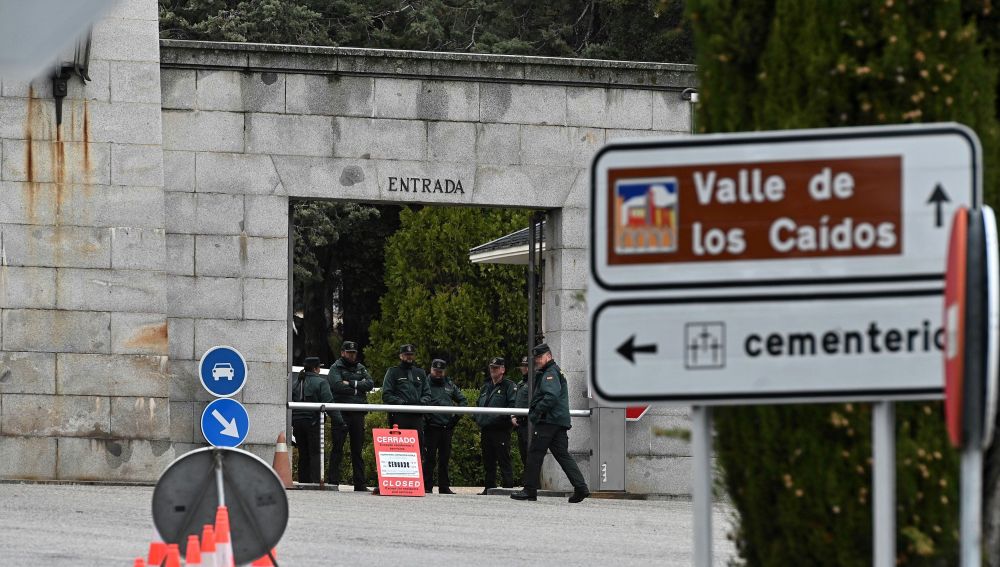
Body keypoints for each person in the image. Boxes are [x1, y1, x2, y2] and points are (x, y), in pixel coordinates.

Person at [511, 344, 591, 503]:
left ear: (548, 356)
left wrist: (537, 412)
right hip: (557, 421)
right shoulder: (553, 371)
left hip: (548, 421)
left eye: (540, 358)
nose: (538, 361)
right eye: (536, 359)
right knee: (562, 455)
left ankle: (529, 490)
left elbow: (551, 396)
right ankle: (581, 488)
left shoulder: (550, 373)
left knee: (534, 453)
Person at [328, 341, 375, 492]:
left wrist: (352, 384)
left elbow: (370, 384)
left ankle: (359, 484)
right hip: (341, 412)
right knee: (337, 448)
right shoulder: (336, 367)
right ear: (342, 353)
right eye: (349, 352)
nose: (352, 355)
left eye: (354, 352)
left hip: (357, 412)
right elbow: (337, 386)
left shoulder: (360, 368)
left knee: (357, 449)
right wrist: (358, 389)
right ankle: (333, 482)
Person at [290, 357, 343, 484]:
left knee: (303, 454)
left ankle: (303, 481)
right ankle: (315, 482)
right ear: (315, 368)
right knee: (315, 453)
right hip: (313, 422)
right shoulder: (321, 382)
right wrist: (340, 421)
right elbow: (329, 403)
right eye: (319, 367)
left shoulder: (296, 382)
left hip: (297, 422)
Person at [422, 359, 467, 494]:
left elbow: (463, 401)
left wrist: (456, 418)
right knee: (429, 458)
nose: (438, 374)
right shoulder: (425, 383)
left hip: (446, 427)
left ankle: (444, 486)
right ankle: (427, 486)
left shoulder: (449, 384)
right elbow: (419, 401)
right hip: (431, 427)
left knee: (444, 458)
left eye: (441, 372)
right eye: (436, 371)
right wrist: (426, 416)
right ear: (431, 369)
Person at [474, 356, 516, 494]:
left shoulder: (509, 386)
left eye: (496, 368)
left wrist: (501, 419)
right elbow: (478, 404)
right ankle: (489, 488)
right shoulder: (486, 386)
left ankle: (508, 487)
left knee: (504, 459)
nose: (493, 370)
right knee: (488, 461)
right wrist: (478, 419)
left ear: (503, 369)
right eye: (491, 368)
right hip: (486, 429)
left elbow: (512, 405)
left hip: (501, 430)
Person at [511, 356, 530, 478]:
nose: (523, 368)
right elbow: (516, 402)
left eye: (526, 366)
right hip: (520, 423)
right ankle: (527, 482)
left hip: (530, 423)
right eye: (523, 366)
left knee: (531, 455)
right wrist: (513, 415)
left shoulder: (535, 382)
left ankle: (532, 484)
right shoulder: (521, 383)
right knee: (523, 454)